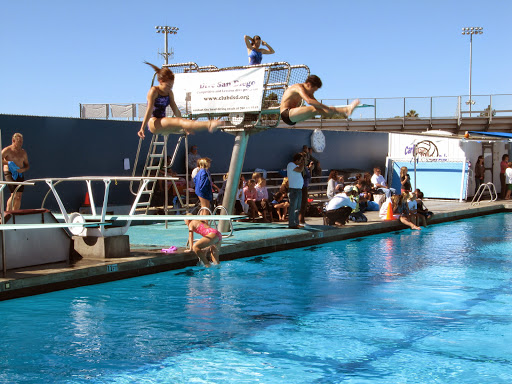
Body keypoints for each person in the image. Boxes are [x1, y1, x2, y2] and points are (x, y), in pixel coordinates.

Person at [137, 62, 222, 139]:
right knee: (181, 122)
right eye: (167, 86)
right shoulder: (154, 91)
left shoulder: (169, 93)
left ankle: (208, 125)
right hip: (153, 123)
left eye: (171, 86)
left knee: (184, 122)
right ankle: (209, 124)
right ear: (160, 81)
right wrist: (142, 128)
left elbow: (176, 110)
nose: (169, 88)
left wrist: (185, 125)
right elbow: (149, 110)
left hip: (163, 123)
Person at [279, 75, 360, 126]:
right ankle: (346, 109)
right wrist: (327, 108)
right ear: (308, 84)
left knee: (320, 110)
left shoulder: (308, 92)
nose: (313, 92)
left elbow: (317, 104)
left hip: (292, 119)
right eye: (313, 90)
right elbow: (309, 101)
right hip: (286, 114)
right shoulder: (298, 87)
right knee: (316, 109)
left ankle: (346, 110)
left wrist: (328, 109)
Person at [2, 133, 30, 211]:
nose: (21, 143)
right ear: (13, 141)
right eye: (19, 141)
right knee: (14, 194)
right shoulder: (7, 150)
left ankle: (16, 213)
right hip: (9, 173)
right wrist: (8, 163)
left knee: (19, 196)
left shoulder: (23, 152)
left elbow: (27, 165)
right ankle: (8, 212)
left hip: (19, 174)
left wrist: (23, 170)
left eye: (21, 141)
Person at [287, 153, 305, 229]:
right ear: (297, 160)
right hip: (293, 190)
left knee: (297, 207)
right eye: (300, 160)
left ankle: (296, 223)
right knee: (293, 207)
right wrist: (303, 164)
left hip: (298, 189)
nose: (301, 162)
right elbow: (300, 169)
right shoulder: (290, 165)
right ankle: (291, 223)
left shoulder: (296, 166)